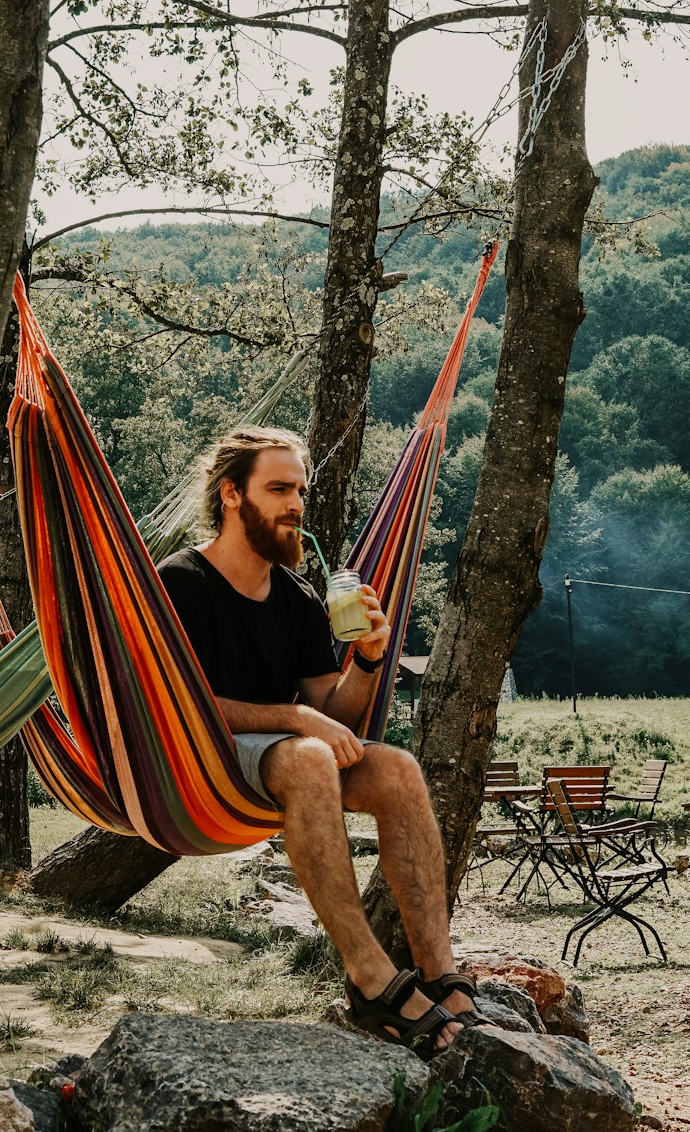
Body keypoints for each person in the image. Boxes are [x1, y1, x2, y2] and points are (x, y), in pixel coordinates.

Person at [157, 425, 479, 1059]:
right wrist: (299, 721)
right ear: (231, 494)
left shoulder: (301, 596)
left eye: (300, 490)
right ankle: (369, 976)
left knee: (397, 770)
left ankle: (441, 974)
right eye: (277, 489)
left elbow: (339, 715)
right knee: (307, 755)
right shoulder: (180, 582)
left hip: (282, 760)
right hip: (201, 759)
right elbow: (182, 707)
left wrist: (366, 660)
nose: (296, 505)